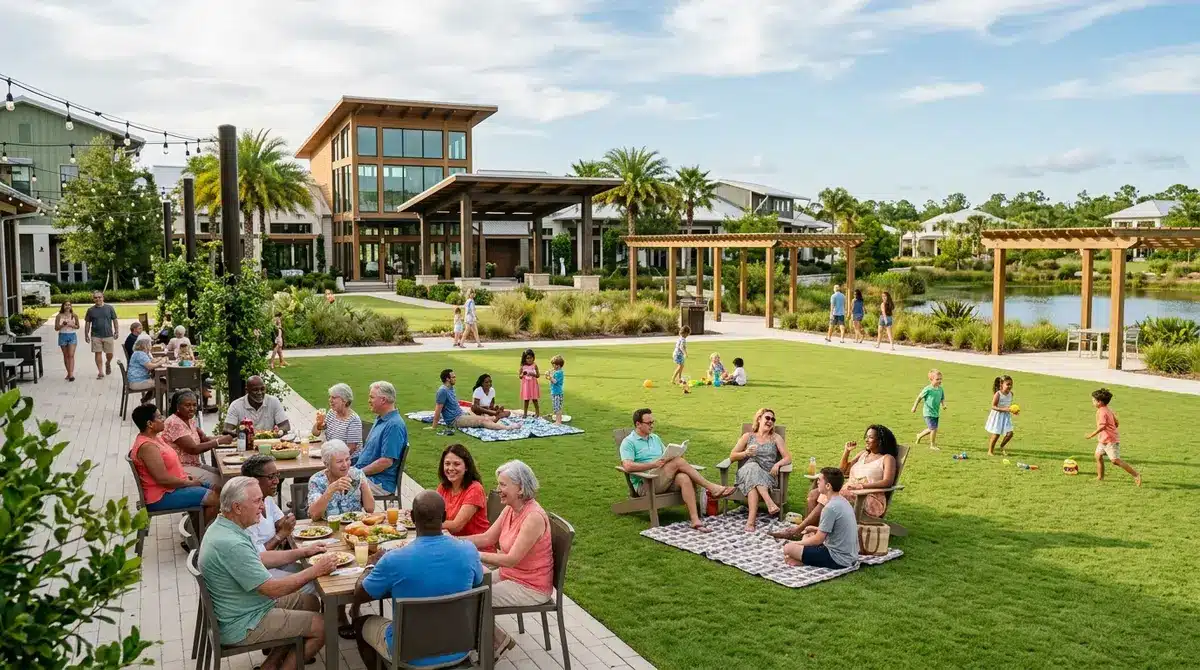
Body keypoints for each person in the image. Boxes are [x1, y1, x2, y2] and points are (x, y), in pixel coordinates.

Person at [353, 491, 512, 667]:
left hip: (408, 652)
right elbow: (477, 582)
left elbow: (359, 595)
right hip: (460, 646)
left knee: (360, 624)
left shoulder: (394, 559)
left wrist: (370, 565)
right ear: (444, 517)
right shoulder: (468, 551)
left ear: (412, 518)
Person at [199, 476, 338, 670]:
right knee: (324, 626)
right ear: (238, 507)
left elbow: (261, 558)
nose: (262, 507)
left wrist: (304, 552)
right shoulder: (231, 544)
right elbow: (273, 589)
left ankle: (270, 666)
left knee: (310, 602)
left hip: (247, 605)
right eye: (257, 501)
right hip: (242, 621)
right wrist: (316, 570)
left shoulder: (226, 526)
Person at [619, 408, 735, 532]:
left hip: (662, 479)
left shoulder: (655, 438)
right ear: (638, 424)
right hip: (646, 483)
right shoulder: (628, 442)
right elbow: (628, 466)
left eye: (653, 422)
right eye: (649, 423)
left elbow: (665, 456)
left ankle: (695, 520)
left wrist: (676, 454)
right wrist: (653, 465)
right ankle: (712, 488)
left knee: (683, 477)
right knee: (678, 462)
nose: (652, 426)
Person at [464, 461, 553, 619]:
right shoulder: (511, 508)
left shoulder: (533, 517)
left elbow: (511, 560)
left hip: (530, 587)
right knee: (464, 584)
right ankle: (489, 639)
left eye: (503, 485)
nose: (498, 490)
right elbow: (488, 538)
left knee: (471, 597)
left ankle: (494, 641)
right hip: (509, 575)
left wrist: (471, 553)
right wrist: (455, 542)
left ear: (520, 488)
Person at [777, 425, 899, 536]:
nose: (866, 440)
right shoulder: (863, 454)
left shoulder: (887, 458)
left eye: (870, 437)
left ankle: (799, 530)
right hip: (848, 494)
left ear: (880, 440)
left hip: (869, 498)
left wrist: (862, 486)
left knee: (829, 496)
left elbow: (888, 481)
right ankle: (811, 532)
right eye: (866, 437)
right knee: (814, 494)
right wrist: (847, 451)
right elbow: (843, 471)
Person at [129, 403, 218, 522]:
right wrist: (188, 483)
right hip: (161, 496)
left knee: (220, 490)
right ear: (150, 424)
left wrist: (187, 478)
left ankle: (194, 532)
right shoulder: (148, 447)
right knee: (217, 499)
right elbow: (163, 479)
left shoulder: (155, 437)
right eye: (159, 417)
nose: (164, 419)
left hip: (174, 487)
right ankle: (198, 537)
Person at [781, 467, 859, 569]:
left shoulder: (830, 508)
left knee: (788, 548)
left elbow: (818, 540)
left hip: (838, 559)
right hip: (851, 556)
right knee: (809, 532)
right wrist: (815, 529)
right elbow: (837, 530)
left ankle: (802, 559)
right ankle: (802, 559)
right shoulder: (843, 501)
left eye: (820, 480)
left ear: (828, 486)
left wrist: (796, 543)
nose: (817, 482)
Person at [729, 408, 792, 531]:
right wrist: (746, 453)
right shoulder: (748, 436)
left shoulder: (775, 438)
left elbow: (788, 458)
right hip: (746, 472)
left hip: (767, 475)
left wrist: (777, 465)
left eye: (773, 419)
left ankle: (751, 522)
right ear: (759, 419)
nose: (770, 421)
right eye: (767, 418)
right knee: (752, 467)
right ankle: (769, 502)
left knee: (753, 481)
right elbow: (732, 456)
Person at [162, 389, 233, 486]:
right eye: (187, 405)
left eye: (194, 405)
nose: (192, 408)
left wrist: (228, 438)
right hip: (181, 468)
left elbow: (205, 439)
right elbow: (193, 449)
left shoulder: (189, 419)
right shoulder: (174, 423)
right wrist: (219, 441)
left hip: (194, 464)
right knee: (225, 483)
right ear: (178, 407)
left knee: (227, 476)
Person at [353, 381, 408, 496]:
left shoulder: (394, 425)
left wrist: (358, 473)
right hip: (367, 475)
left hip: (379, 482)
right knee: (325, 479)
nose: (369, 400)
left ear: (383, 400)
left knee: (339, 490)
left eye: (372, 397)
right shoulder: (381, 419)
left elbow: (386, 462)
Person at [432, 369, 519, 432]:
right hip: (455, 420)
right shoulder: (442, 391)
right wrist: (434, 427)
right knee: (483, 421)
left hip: (461, 415)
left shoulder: (451, 388)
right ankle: (507, 428)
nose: (455, 378)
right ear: (447, 379)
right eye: (453, 377)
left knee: (486, 418)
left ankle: (495, 419)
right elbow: (438, 409)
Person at [308, 439, 375, 519]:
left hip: (354, 527)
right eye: (339, 461)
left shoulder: (356, 474)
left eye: (347, 459)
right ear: (327, 464)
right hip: (328, 527)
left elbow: (370, 509)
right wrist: (330, 490)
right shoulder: (317, 481)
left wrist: (363, 483)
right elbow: (314, 515)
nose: (345, 465)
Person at [1088, 388, 1141, 485]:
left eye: (1093, 400)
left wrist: (1091, 435)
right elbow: (1116, 422)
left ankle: (1136, 474)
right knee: (1098, 456)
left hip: (1110, 440)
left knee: (1115, 460)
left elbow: (1102, 426)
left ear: (1099, 402)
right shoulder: (1107, 409)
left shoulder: (1102, 412)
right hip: (1103, 440)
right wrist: (1113, 427)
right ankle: (1100, 477)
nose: (1092, 402)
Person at [436, 444, 490, 536]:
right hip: (450, 541)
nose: (451, 468)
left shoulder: (475, 489)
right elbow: (433, 513)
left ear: (466, 467)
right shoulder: (443, 487)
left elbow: (456, 526)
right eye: (447, 464)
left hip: (475, 546)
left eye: (456, 464)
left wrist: (425, 524)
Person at [224, 375, 291, 434]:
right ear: (247, 390)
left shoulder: (273, 401)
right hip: (246, 444)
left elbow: (286, 425)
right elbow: (227, 429)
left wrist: (279, 431)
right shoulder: (236, 405)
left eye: (262, 389)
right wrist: (240, 432)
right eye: (255, 390)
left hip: (269, 443)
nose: (259, 393)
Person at [313, 383, 364, 454]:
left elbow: (351, 449)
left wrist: (332, 458)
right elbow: (315, 433)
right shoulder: (331, 413)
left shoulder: (353, 420)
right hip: (332, 455)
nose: (330, 400)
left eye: (333, 397)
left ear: (344, 400)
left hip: (348, 460)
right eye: (330, 397)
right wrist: (319, 423)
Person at [84, 290, 118, 379]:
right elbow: (87, 323)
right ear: (93, 299)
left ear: (103, 298)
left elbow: (114, 320)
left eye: (99, 297)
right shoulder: (90, 310)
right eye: (95, 297)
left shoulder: (109, 308)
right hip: (95, 335)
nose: (98, 299)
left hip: (108, 335)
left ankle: (108, 363)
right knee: (97, 353)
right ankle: (100, 372)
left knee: (109, 353)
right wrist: (86, 334)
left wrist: (116, 331)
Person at [912, 368, 946, 451]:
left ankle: (919, 435)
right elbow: (919, 398)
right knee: (933, 429)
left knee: (931, 428)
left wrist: (944, 405)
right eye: (937, 379)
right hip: (928, 412)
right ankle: (932, 445)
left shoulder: (940, 389)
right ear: (931, 379)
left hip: (935, 412)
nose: (939, 381)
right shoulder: (928, 389)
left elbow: (942, 398)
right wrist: (914, 407)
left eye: (940, 379)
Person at [126, 334, 167, 403]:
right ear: (145, 344)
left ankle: (146, 401)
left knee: (162, 382)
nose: (151, 345)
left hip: (137, 380)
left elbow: (151, 360)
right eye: (150, 343)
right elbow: (150, 366)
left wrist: (160, 359)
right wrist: (160, 362)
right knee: (163, 384)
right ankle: (147, 403)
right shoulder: (140, 354)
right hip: (137, 382)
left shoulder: (140, 353)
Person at [985, 375, 1016, 456]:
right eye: (1008, 384)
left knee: (1010, 434)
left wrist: (1013, 411)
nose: (1010, 386)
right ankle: (990, 451)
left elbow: (1008, 406)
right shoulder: (998, 394)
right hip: (997, 416)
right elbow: (993, 406)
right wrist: (1005, 409)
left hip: (1006, 416)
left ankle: (1001, 446)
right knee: (996, 434)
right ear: (1002, 384)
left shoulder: (1011, 394)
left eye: (1011, 384)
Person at [54, 300, 80, 382]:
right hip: (62, 336)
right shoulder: (59, 316)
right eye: (66, 305)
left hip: (72, 335)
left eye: (69, 305)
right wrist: (62, 325)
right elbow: (56, 328)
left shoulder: (74, 315)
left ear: (71, 306)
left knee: (71, 355)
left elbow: (78, 326)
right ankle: (68, 373)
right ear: (63, 306)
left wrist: (72, 325)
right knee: (66, 355)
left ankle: (71, 374)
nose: (68, 306)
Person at [518, 348, 541, 419]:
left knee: (534, 399)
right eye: (527, 358)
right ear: (524, 359)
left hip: (533, 385)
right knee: (526, 400)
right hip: (526, 386)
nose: (529, 359)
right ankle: (525, 413)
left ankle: (537, 413)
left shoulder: (534, 365)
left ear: (533, 358)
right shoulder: (522, 367)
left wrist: (533, 374)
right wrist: (523, 374)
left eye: (531, 358)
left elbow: (538, 375)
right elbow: (520, 376)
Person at [546, 355, 565, 424]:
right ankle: (558, 420)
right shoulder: (557, 372)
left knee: (557, 408)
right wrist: (548, 377)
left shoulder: (559, 373)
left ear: (558, 365)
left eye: (553, 365)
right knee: (556, 407)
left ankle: (558, 421)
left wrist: (550, 376)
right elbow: (552, 380)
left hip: (557, 393)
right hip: (555, 392)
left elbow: (555, 381)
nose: (553, 367)